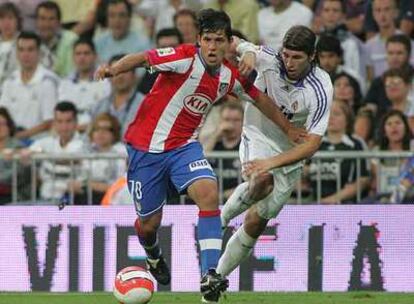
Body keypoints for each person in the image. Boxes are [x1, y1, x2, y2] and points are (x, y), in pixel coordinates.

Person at [95, 9, 306, 303]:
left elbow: (260, 100)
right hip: (146, 149)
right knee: (149, 224)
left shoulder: (228, 77)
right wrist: (114, 69)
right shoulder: (183, 57)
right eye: (207, 39)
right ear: (198, 40)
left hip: (184, 148)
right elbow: (143, 58)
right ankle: (153, 254)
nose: (212, 46)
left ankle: (210, 274)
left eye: (219, 40)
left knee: (208, 193)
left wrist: (288, 129)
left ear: (227, 43)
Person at [215, 26, 333, 280]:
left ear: (312, 56)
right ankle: (217, 223)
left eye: (296, 57)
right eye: (286, 54)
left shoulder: (320, 87)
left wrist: (271, 161)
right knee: (262, 180)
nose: (288, 62)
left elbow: (311, 145)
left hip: (289, 155)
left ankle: (215, 278)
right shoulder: (269, 58)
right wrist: (247, 53)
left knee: (256, 223)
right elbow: (234, 40)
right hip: (258, 134)